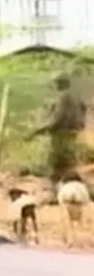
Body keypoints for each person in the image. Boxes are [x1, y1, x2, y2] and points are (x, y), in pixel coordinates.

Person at [25, 71, 87, 202]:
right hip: (73, 135)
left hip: (61, 136)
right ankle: (72, 194)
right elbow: (83, 111)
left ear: (59, 84)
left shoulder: (63, 98)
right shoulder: (76, 97)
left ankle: (56, 196)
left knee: (55, 166)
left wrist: (36, 131)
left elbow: (56, 119)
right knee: (68, 166)